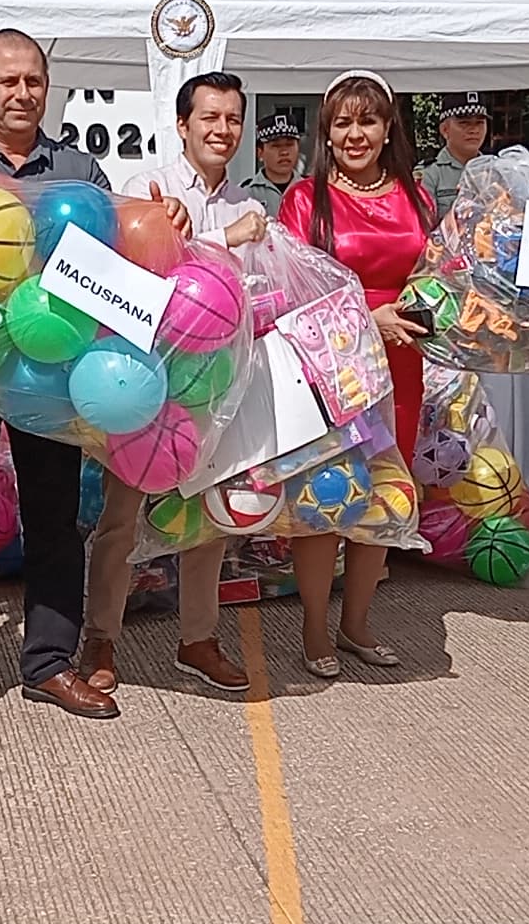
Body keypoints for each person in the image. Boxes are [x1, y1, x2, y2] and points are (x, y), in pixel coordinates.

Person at [0, 30, 182, 718]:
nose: (22, 93)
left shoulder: (79, 173)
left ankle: (50, 662)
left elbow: (120, 261)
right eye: (8, 81)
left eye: (34, 81)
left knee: (55, 518)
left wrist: (161, 220)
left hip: (53, 372)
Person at [83, 71, 269, 695]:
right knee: (120, 521)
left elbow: (256, 296)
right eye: (209, 118)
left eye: (233, 119)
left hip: (213, 389)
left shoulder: (250, 204)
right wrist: (223, 239)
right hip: (144, 383)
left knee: (207, 522)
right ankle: (101, 640)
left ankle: (198, 641)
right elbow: (138, 270)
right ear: (183, 125)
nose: (222, 130)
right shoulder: (149, 187)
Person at [278, 70, 434, 677]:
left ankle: (357, 624)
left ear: (388, 125)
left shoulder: (417, 196)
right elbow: (290, 292)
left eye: (367, 120)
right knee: (324, 502)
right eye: (342, 122)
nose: (355, 134)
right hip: (331, 369)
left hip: (401, 366)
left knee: (386, 496)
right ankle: (315, 629)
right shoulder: (303, 199)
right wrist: (372, 317)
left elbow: (435, 278)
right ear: (327, 132)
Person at [418, 92, 490, 204]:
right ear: (445, 130)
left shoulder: (493, 170)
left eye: (480, 123)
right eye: (464, 123)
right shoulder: (430, 173)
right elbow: (421, 218)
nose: (474, 130)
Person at [240, 113, 302, 215]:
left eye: (289, 145)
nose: (284, 152)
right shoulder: (246, 194)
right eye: (276, 146)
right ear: (260, 152)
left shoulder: (312, 191)